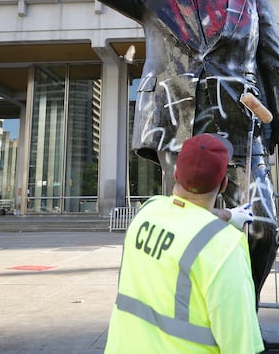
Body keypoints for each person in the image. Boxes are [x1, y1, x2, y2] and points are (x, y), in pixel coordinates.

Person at [22, 0, 279, 301]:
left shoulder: (252, 1)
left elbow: (276, 66)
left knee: (261, 230)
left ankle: (244, 308)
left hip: (243, 130)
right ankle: (199, 318)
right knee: (192, 231)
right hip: (180, 128)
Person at [104, 133, 263, 353]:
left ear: (176, 173)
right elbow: (240, 345)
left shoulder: (147, 211)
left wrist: (228, 214)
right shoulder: (224, 247)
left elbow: (190, 211)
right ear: (224, 184)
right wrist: (230, 216)